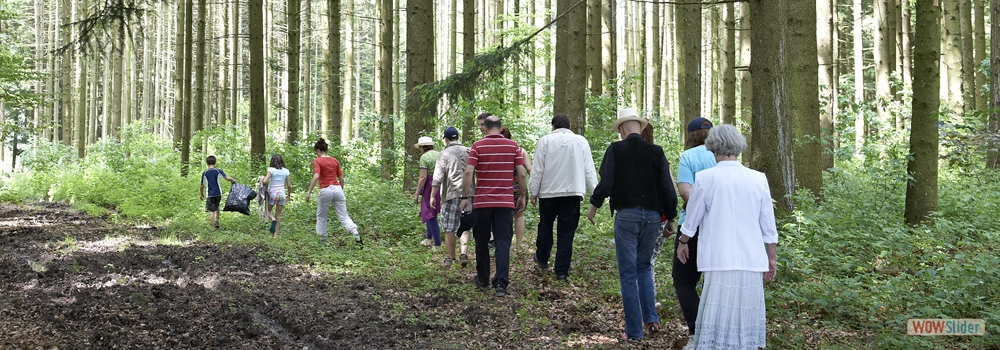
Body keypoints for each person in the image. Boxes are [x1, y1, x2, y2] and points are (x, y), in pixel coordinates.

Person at [676, 124, 778, 349]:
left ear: (713, 148)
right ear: (738, 147)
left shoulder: (705, 178)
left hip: (718, 256)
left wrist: (683, 242)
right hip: (750, 258)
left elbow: (692, 217)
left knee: (718, 309)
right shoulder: (758, 178)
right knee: (745, 311)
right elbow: (767, 222)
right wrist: (771, 255)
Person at [587, 108, 677, 340]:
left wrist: (594, 205)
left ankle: (634, 331)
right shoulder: (656, 152)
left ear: (622, 129)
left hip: (626, 215)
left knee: (628, 273)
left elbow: (606, 182)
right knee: (644, 267)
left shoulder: (616, 149)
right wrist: (671, 218)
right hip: (651, 217)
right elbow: (667, 187)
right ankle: (652, 321)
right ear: (639, 126)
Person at [461, 114, 528, 297]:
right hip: (505, 203)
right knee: (503, 242)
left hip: (482, 202)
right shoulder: (513, 146)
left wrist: (464, 196)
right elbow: (521, 174)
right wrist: (522, 195)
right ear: (499, 127)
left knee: (482, 241)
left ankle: (483, 280)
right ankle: (501, 284)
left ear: (486, 126)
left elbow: (468, 172)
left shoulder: (477, 146)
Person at [528, 113, 598, 282]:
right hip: (572, 193)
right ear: (570, 126)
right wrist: (595, 195)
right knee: (567, 233)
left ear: (553, 126)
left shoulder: (545, 141)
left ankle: (543, 257)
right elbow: (589, 169)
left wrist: (533, 191)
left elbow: (537, 169)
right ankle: (561, 271)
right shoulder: (581, 141)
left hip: (548, 193)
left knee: (545, 226)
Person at [671, 117, 716, 347]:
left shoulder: (688, 157)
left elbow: (686, 194)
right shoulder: (725, 157)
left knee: (683, 281)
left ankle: (697, 333)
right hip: (720, 226)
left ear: (691, 135)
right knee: (714, 280)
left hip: (692, 227)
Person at [305, 138, 363, 246]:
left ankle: (322, 241)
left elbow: (316, 175)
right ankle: (355, 233)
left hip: (326, 190)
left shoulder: (317, 161)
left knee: (321, 216)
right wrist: (340, 189)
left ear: (317, 150)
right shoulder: (334, 160)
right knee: (344, 216)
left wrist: (309, 192)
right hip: (337, 189)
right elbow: (341, 178)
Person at [430, 127, 472, 267]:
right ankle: (464, 253)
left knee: (449, 227)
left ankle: (451, 258)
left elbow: (437, 177)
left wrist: (432, 196)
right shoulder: (470, 151)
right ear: (458, 137)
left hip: (451, 195)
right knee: (466, 224)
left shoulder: (444, 153)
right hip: (470, 194)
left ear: (446, 139)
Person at [499, 127, 532, 250]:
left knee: (501, 216)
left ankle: (503, 244)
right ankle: (518, 245)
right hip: (519, 187)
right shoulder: (521, 151)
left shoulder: (498, 151)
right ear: (511, 137)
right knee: (519, 215)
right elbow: (529, 169)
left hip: (502, 187)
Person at [413, 136, 442, 249]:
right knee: (430, 212)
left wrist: (417, 192)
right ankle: (429, 239)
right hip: (440, 184)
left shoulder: (424, 157)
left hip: (430, 185)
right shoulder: (440, 154)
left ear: (422, 147)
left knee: (430, 214)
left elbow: (423, 177)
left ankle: (438, 244)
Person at [262, 154, 292, 238]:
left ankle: (273, 219)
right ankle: (275, 235)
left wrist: (262, 178)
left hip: (273, 194)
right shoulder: (286, 171)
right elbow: (289, 185)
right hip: (282, 194)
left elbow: (265, 181)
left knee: (267, 211)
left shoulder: (271, 170)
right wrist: (288, 196)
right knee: (278, 214)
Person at [200, 155, 235, 229]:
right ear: (215, 162)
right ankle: (217, 221)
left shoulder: (205, 173)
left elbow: (202, 185)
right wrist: (232, 180)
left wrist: (201, 194)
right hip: (218, 193)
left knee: (211, 211)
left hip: (209, 194)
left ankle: (213, 228)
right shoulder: (218, 171)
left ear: (207, 163)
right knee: (216, 207)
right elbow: (227, 178)